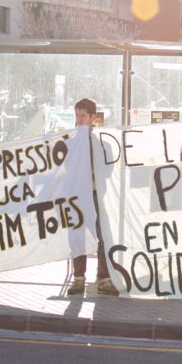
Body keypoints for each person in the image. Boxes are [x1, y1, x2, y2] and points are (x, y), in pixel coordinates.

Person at [67, 98, 119, 296]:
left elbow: (107, 169)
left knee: (103, 236)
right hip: (78, 196)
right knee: (78, 235)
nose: (79, 120)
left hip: (97, 195)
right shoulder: (70, 141)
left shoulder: (101, 142)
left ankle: (104, 278)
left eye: (83, 116)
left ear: (92, 118)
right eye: (77, 116)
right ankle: (78, 279)